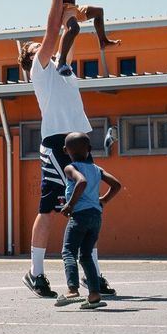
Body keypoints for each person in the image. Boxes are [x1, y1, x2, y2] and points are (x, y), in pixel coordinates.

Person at [19, 0, 116, 298]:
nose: (41, 44)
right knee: (48, 209)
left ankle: (93, 275)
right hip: (57, 142)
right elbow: (51, 31)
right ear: (31, 57)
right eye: (35, 46)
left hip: (78, 139)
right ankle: (36, 273)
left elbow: (65, 28)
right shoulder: (39, 66)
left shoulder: (62, 68)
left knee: (89, 206)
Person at [55, 132, 121, 309]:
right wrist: (104, 200)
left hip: (80, 215)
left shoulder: (70, 168)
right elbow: (116, 185)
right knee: (86, 255)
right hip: (96, 216)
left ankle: (72, 290)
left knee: (68, 251)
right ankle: (94, 294)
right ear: (89, 150)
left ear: (64, 150)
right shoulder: (96, 168)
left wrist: (70, 205)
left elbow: (81, 182)